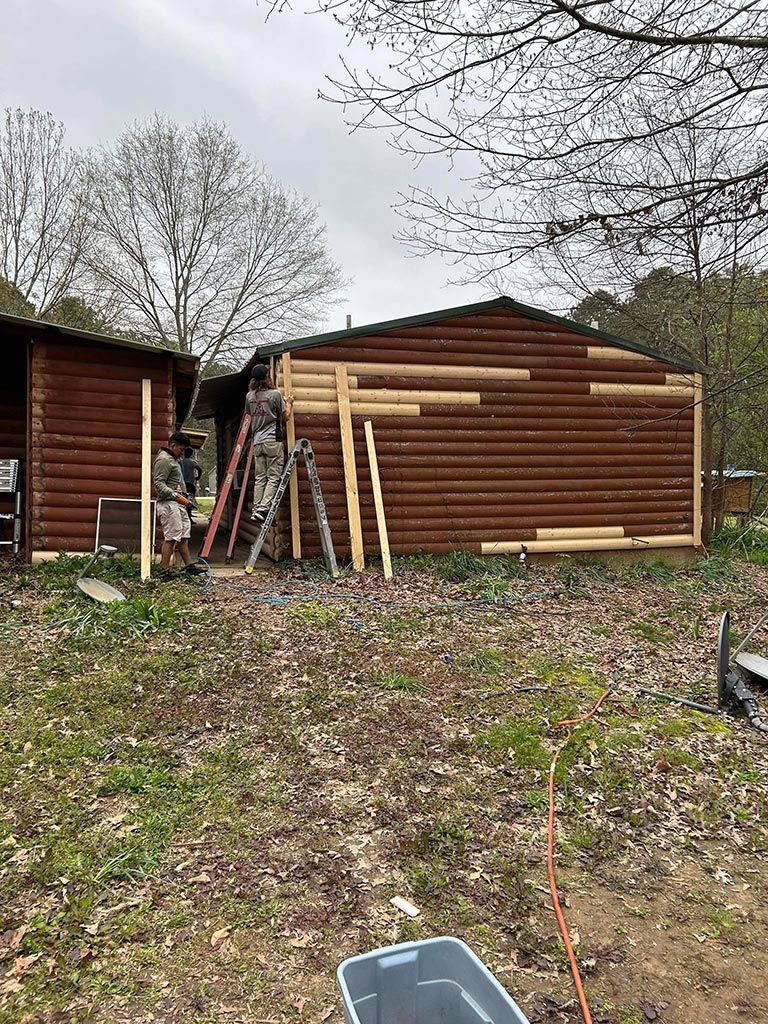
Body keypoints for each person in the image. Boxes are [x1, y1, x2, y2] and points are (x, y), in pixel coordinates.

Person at [153, 431, 206, 579]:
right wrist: (175, 494)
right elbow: (158, 484)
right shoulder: (163, 460)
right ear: (173, 445)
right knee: (171, 538)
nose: (182, 453)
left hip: (178, 504)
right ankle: (164, 571)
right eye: (181, 449)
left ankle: (189, 566)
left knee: (183, 535)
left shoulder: (173, 459)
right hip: (169, 503)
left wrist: (184, 496)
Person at [245, 364, 294, 522]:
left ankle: (256, 509)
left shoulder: (250, 396)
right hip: (272, 440)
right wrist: (289, 403)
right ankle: (264, 508)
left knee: (260, 478)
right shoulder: (275, 395)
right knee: (273, 477)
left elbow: (249, 415)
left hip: (257, 442)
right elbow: (285, 417)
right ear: (267, 377)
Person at [178, 446, 202, 517]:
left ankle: (184, 515)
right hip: (190, 483)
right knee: (190, 500)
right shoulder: (192, 462)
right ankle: (189, 515)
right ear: (191, 454)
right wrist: (198, 477)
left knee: (183, 500)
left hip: (182, 483)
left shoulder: (180, 462)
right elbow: (199, 469)